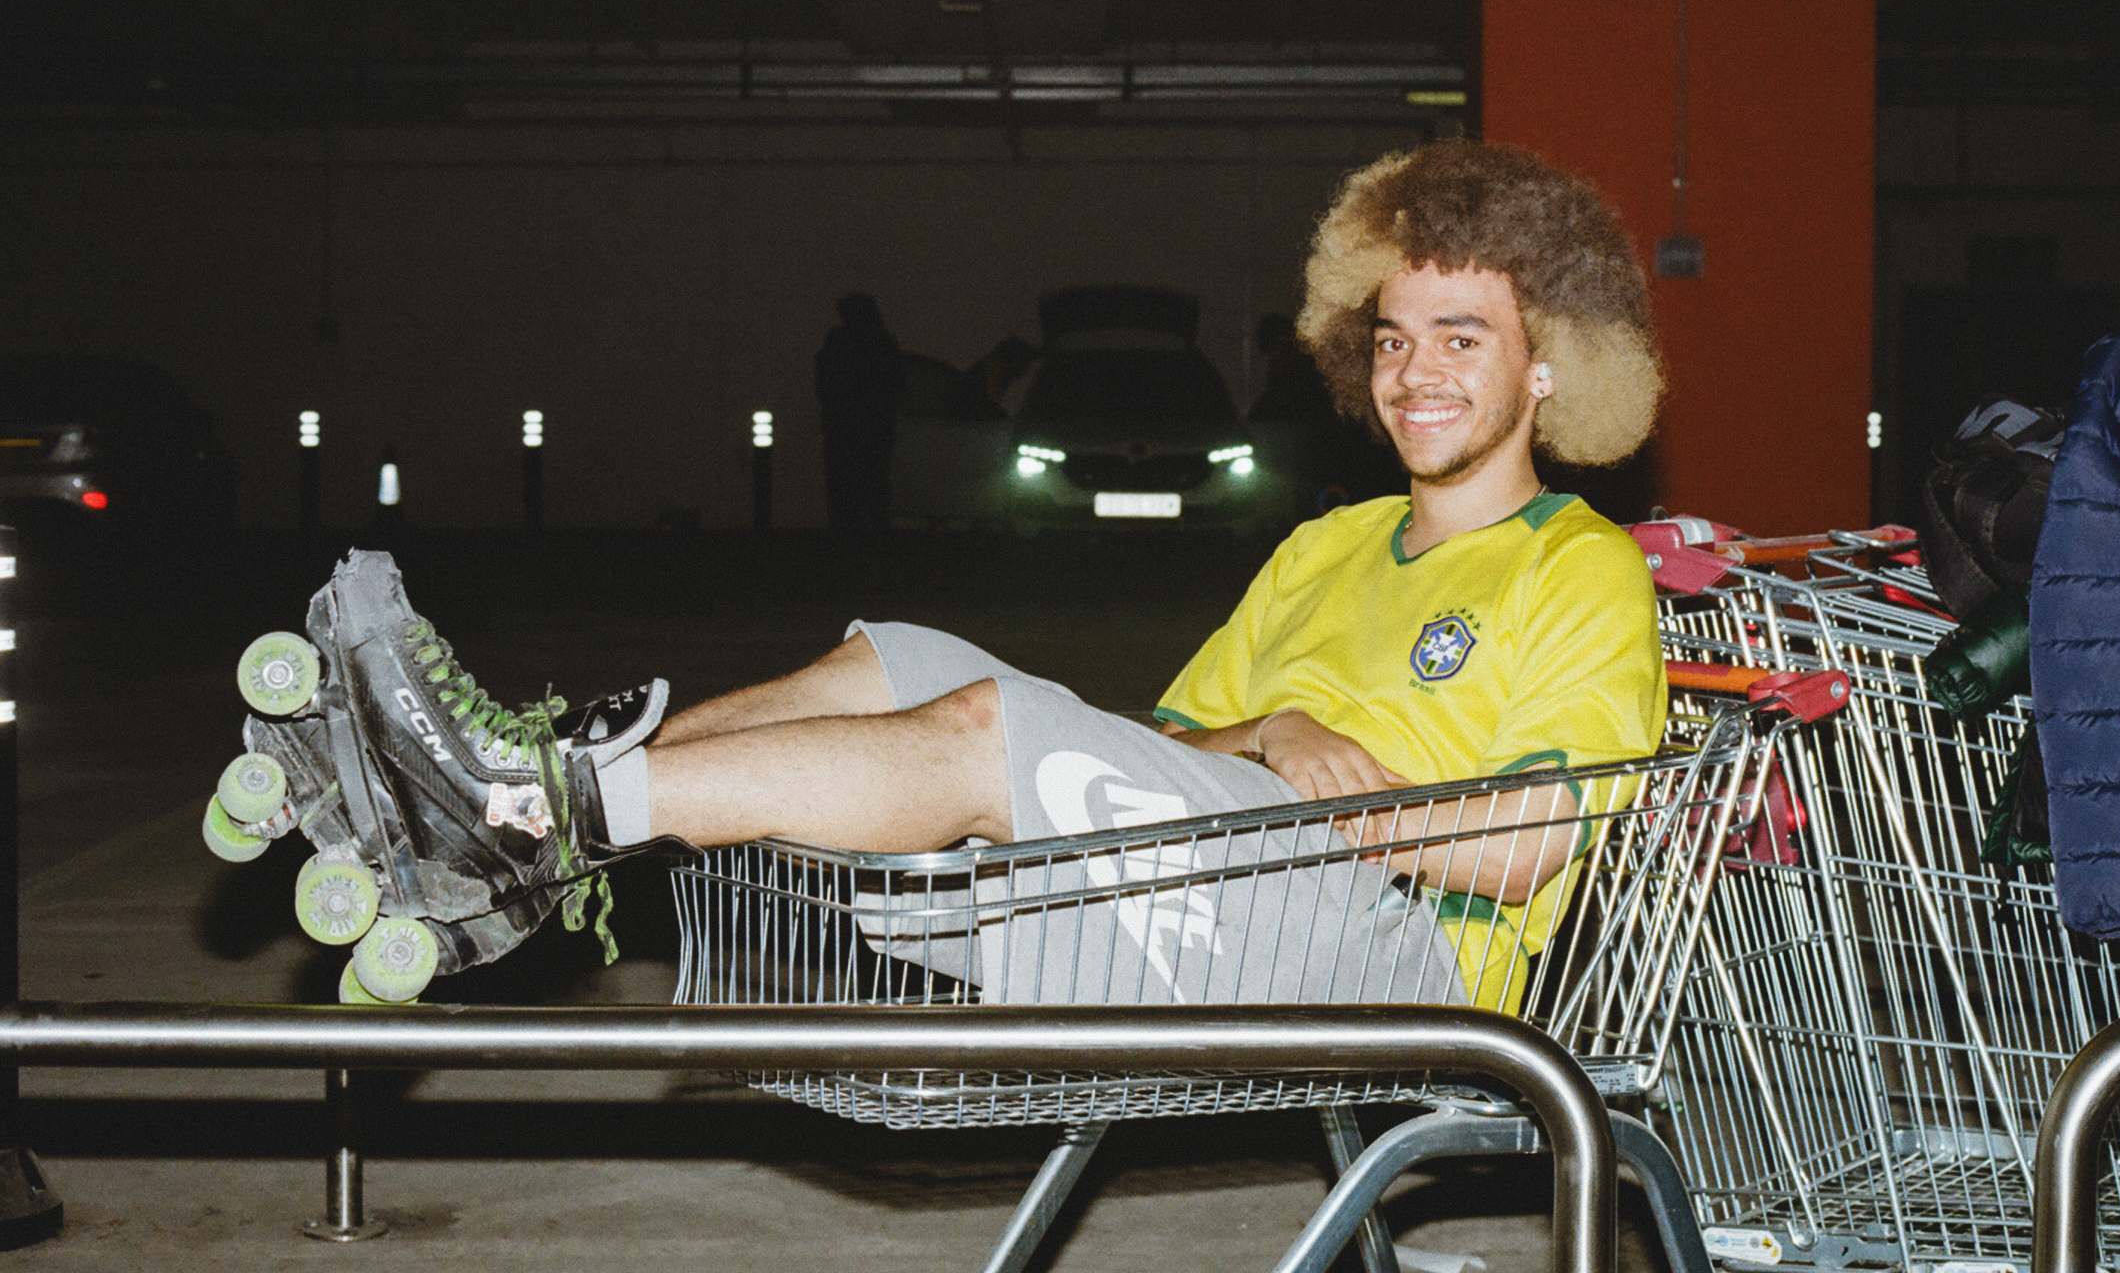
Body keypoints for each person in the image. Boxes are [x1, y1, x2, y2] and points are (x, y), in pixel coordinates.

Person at [253, 140, 1670, 1008]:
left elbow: (1540, 840)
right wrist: (1276, 744)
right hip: (1225, 863)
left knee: (992, 731)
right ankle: (530, 791)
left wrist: (1328, 797)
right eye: (1396, 337)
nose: (1416, 372)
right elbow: (1168, 748)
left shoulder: (1581, 574)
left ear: (1546, 366)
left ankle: (508, 819)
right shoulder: (1325, 547)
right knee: (910, 657)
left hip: (1396, 955)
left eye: (1461, 339)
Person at [815, 292, 904, 533]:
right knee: (875, 481)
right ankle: (875, 531)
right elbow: (896, 383)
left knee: (843, 483)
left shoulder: (838, 341)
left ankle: (846, 532)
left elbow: (823, 383)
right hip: (875, 424)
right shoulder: (882, 341)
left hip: (843, 424)